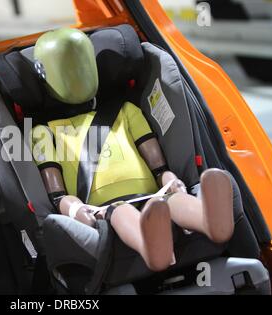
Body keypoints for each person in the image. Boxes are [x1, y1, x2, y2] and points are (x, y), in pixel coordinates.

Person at [31, 28, 234, 271]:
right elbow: (58, 194)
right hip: (104, 206)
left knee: (175, 199)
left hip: (155, 194)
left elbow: (158, 165)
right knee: (123, 211)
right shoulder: (45, 132)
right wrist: (75, 210)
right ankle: (150, 247)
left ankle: (209, 220)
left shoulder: (126, 110)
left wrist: (170, 179)